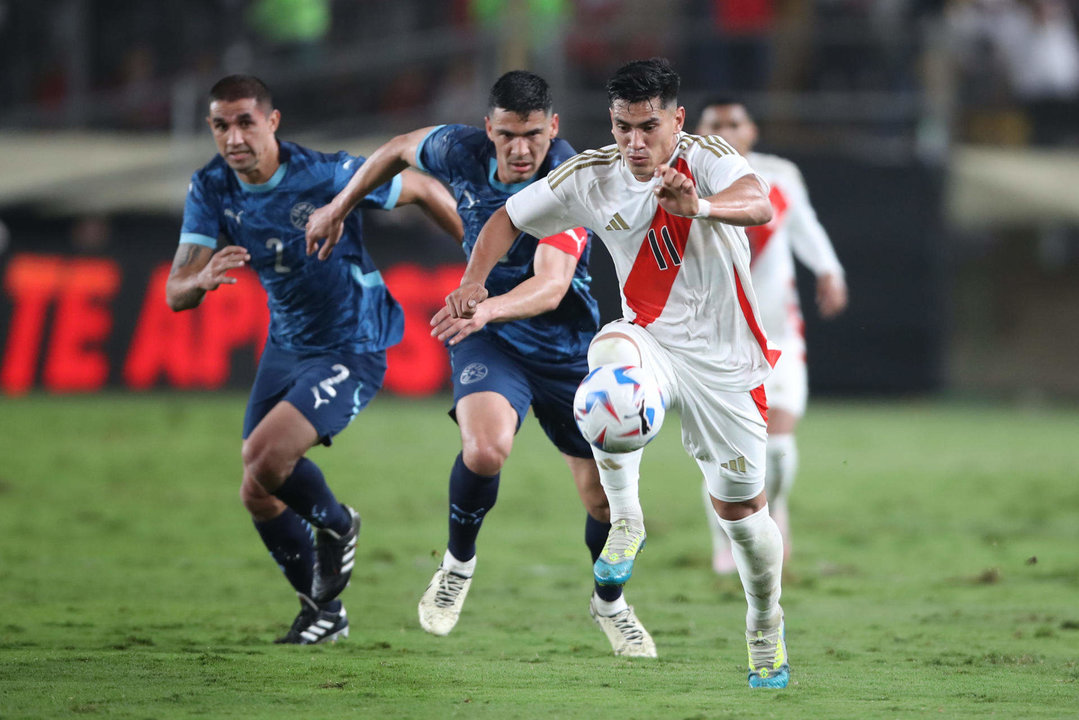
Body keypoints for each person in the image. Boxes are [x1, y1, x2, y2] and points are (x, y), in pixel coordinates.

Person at [440, 58, 791, 688]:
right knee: (605, 360)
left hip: (726, 363)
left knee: (743, 516)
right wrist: (472, 283)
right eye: (624, 126)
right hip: (651, 342)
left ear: (676, 121)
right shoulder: (592, 176)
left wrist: (700, 205)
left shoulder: (705, 157)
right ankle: (626, 517)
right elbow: (505, 220)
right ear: (611, 121)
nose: (635, 142)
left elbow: (758, 203)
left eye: (648, 127)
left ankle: (765, 624)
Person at [305, 70, 657, 657]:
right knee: (486, 448)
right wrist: (341, 205)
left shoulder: (571, 178)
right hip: (490, 337)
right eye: (508, 136)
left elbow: (550, 285)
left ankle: (610, 605)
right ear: (488, 129)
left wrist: (486, 306)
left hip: (565, 347)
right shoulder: (457, 148)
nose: (522, 150)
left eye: (535, 136)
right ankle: (457, 567)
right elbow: (396, 151)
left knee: (601, 501)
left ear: (555, 128)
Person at [165, 74, 461, 645]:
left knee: (263, 455)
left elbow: (422, 189)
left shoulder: (323, 174)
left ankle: (337, 523)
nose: (233, 137)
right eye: (221, 125)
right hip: (288, 347)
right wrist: (199, 278)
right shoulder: (212, 189)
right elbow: (176, 293)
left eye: (245, 122)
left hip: (354, 341)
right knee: (257, 489)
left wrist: (480, 260)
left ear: (271, 122)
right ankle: (321, 613)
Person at [695, 99, 848, 574]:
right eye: (714, 123)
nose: (724, 130)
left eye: (732, 122)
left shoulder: (778, 175)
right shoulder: (685, 180)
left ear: (752, 130)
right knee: (728, 451)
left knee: (777, 449)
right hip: (713, 337)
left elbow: (805, 227)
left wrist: (829, 270)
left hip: (778, 333)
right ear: (696, 131)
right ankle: (731, 543)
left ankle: (772, 506)